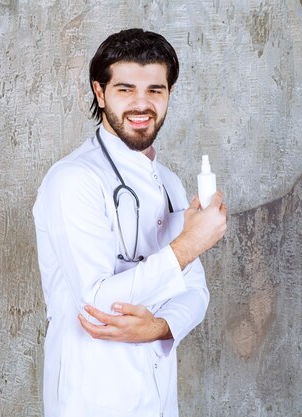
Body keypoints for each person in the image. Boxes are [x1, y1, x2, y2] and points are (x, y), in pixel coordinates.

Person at [33, 28, 227, 417]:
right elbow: (98, 301)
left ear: (169, 93)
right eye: (125, 90)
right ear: (100, 93)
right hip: (92, 398)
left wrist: (157, 328)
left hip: (157, 399)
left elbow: (196, 293)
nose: (142, 104)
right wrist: (190, 243)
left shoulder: (168, 181)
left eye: (155, 90)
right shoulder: (73, 180)